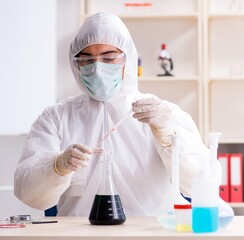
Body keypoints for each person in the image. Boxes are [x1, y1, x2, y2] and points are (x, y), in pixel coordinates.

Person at [14, 12, 208, 216]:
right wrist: (57, 166)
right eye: (86, 59)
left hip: (150, 231)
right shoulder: (56, 118)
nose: (97, 68)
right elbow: (28, 194)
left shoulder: (161, 115)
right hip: (78, 233)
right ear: (75, 64)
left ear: (127, 60)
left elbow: (202, 182)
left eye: (108, 58)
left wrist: (169, 141)